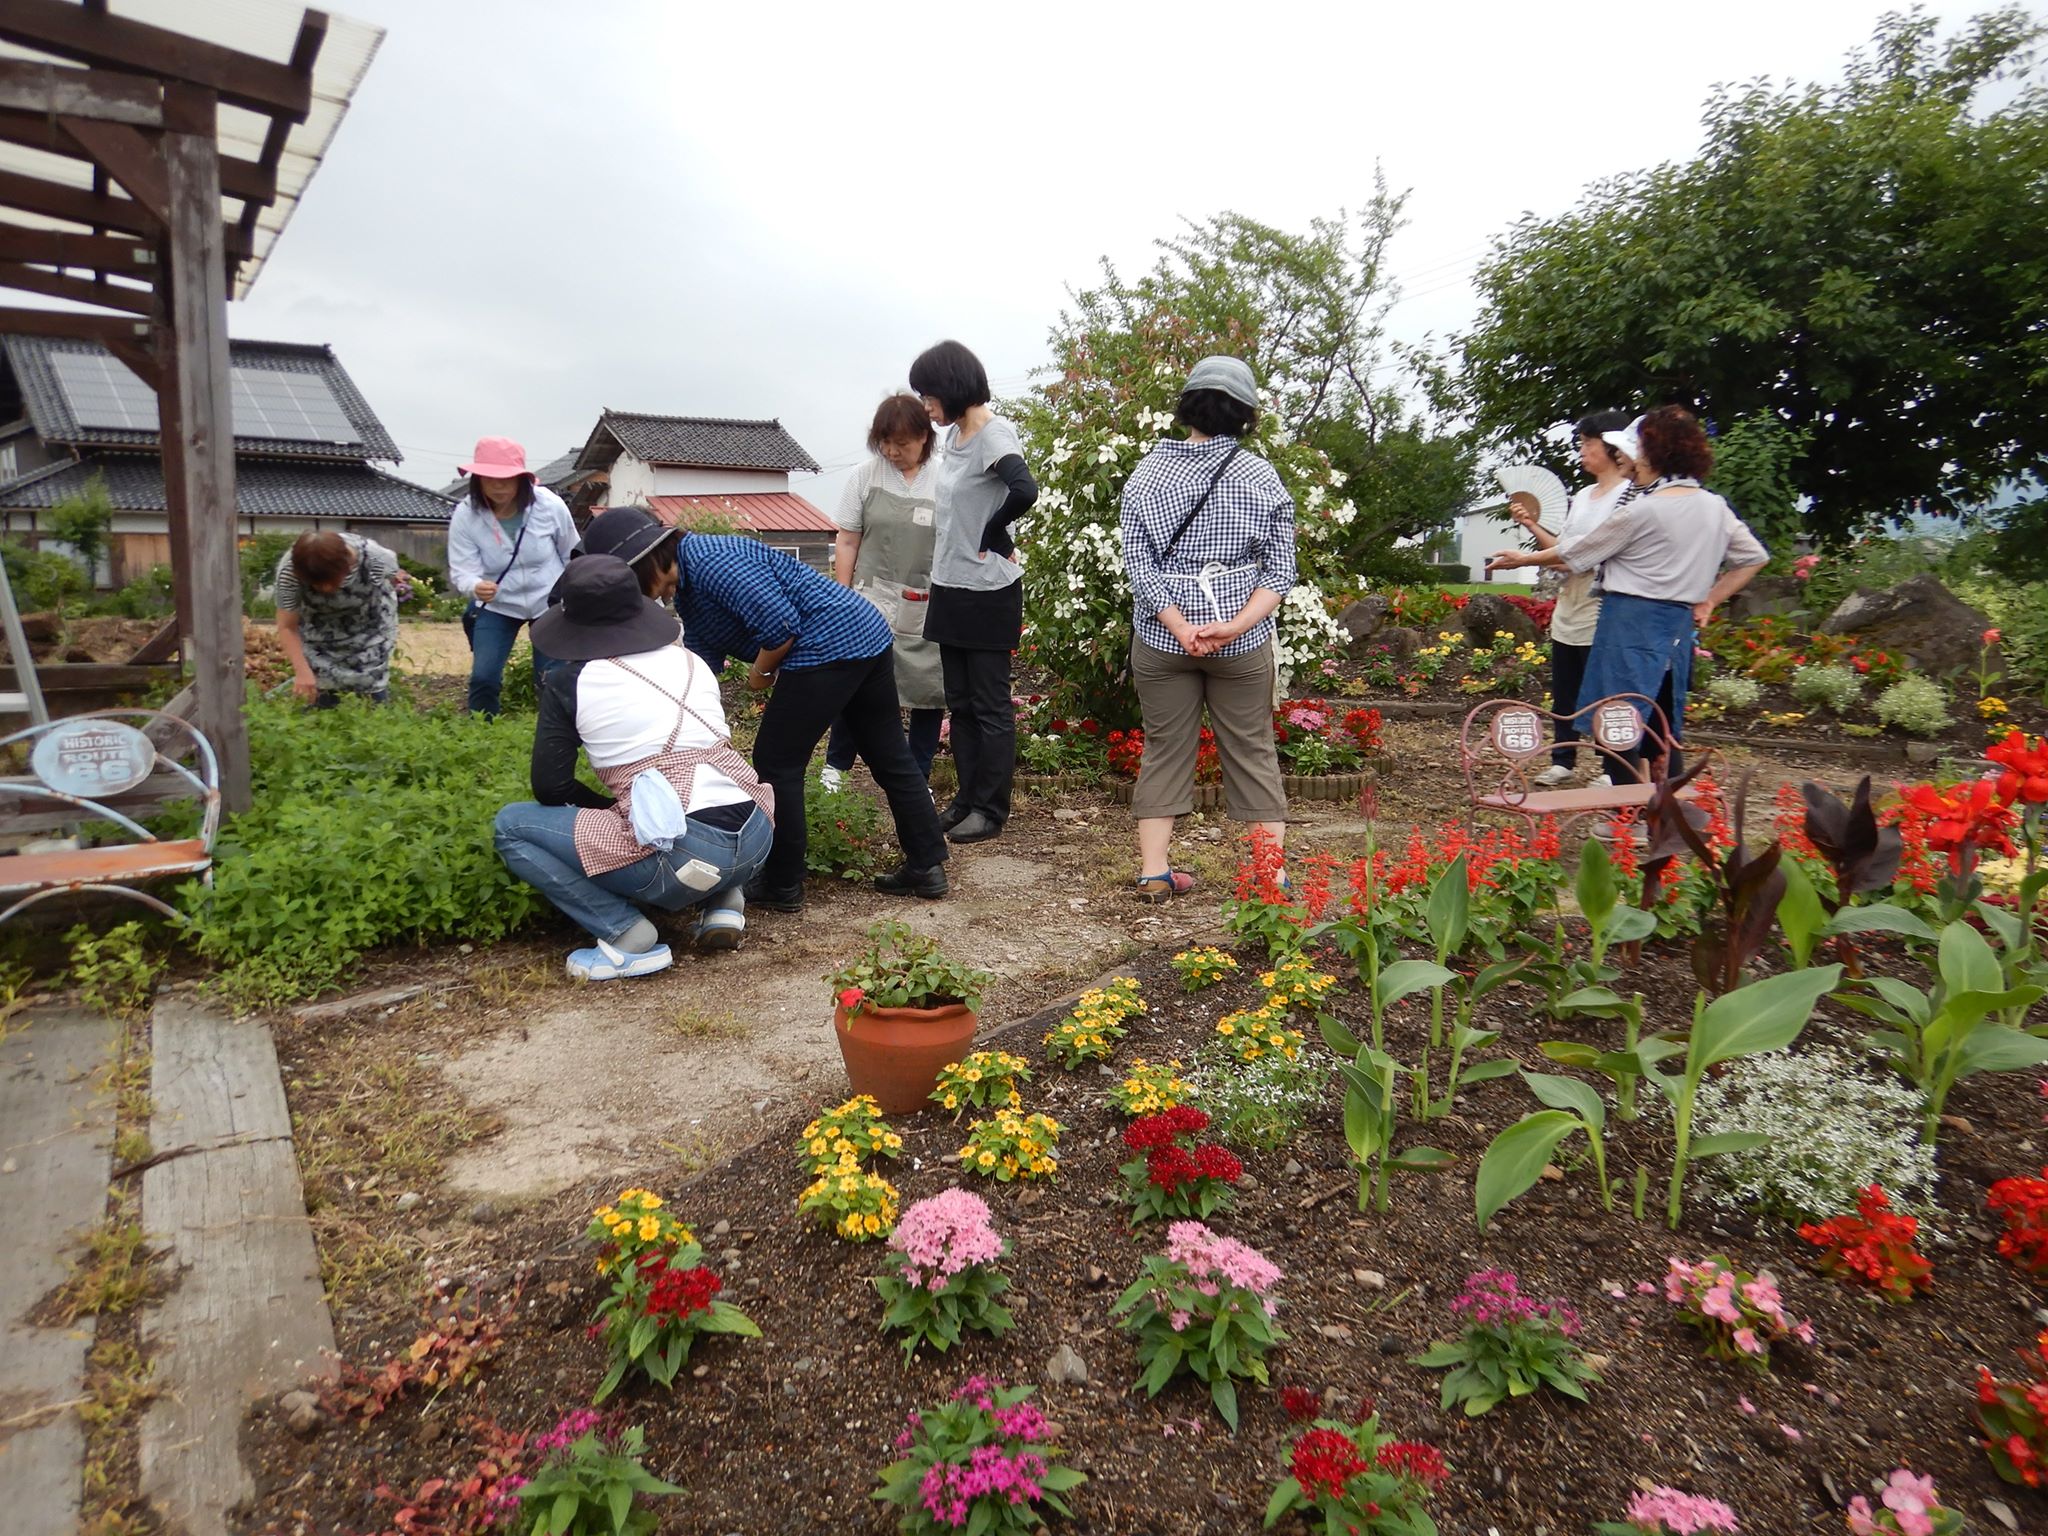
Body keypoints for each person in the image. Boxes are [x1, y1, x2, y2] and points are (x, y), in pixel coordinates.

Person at [493, 555, 774, 979]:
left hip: (684, 857)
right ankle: (724, 904)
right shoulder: (690, 660)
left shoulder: (571, 680)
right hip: (757, 836)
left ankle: (627, 936)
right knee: (703, 793)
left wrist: (615, 810)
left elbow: (551, 787)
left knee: (511, 826)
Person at [666, 531, 949, 910]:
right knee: (889, 756)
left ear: (651, 559)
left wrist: (760, 674)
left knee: (777, 762)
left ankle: (782, 883)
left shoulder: (708, 560)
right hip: (862, 631)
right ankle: (927, 865)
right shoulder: (688, 588)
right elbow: (704, 661)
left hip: (828, 644)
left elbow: (780, 627)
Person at [1488, 406, 1768, 778]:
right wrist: (1711, 598)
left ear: (1650, 455)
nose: (1621, 456)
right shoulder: (1712, 505)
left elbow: (1579, 551)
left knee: (1619, 723)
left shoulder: (1643, 510)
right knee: (1662, 722)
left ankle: (1627, 805)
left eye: (1628, 449)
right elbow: (1752, 557)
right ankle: (1666, 805)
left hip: (1629, 621)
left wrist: (1523, 559)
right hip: (1677, 624)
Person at [1118, 355, 1296, 901]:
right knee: (1253, 749)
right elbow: (1280, 572)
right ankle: (1270, 875)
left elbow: (1139, 565)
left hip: (1161, 639)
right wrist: (1233, 626)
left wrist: (1178, 625)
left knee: (1164, 748)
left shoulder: (1147, 474)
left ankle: (1154, 872)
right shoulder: (1260, 477)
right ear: (1245, 415)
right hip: (1240, 641)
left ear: (1186, 408)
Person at [909, 341, 1037, 845]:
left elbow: (1024, 489)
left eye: (929, 395)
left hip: (986, 589)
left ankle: (990, 809)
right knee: (959, 704)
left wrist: (993, 531)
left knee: (989, 705)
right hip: (950, 585)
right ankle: (965, 801)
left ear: (952, 386)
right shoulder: (956, 436)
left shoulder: (994, 432)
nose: (926, 406)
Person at [1504, 409, 1640, 786]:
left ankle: (1614, 769)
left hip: (1603, 608)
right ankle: (1563, 759)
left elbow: (1584, 554)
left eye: (1587, 443)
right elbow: (1563, 551)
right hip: (1570, 606)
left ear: (1612, 447)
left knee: (1606, 693)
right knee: (1565, 690)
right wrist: (1531, 525)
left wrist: (1527, 559)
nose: (1582, 450)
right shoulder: (1582, 496)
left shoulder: (1628, 496)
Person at [819, 395, 947, 790]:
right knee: (857, 682)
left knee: (928, 688)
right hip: (869, 597)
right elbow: (847, 541)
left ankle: (918, 776)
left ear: (924, 437)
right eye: (885, 442)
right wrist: (842, 597)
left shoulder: (945, 478)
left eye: (901, 443)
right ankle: (835, 768)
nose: (891, 451)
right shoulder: (865, 475)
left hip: (925, 600)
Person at [447, 436, 577, 716]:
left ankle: (554, 732)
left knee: (552, 678)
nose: (499, 486)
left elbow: (572, 554)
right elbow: (462, 569)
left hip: (549, 601)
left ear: (521, 478)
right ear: (478, 479)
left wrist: (571, 595)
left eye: (506, 478)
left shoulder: (549, 505)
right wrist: (475, 585)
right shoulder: (466, 514)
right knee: (483, 677)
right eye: (490, 478)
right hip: (498, 604)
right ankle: (482, 730)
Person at [273, 530, 403, 706]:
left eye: (330, 580)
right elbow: (287, 627)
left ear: (346, 564)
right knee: (317, 696)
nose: (326, 589)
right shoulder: (289, 571)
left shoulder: (376, 558)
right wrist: (302, 672)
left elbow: (391, 581)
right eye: (317, 584)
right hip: (317, 631)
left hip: (370, 628)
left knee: (371, 694)